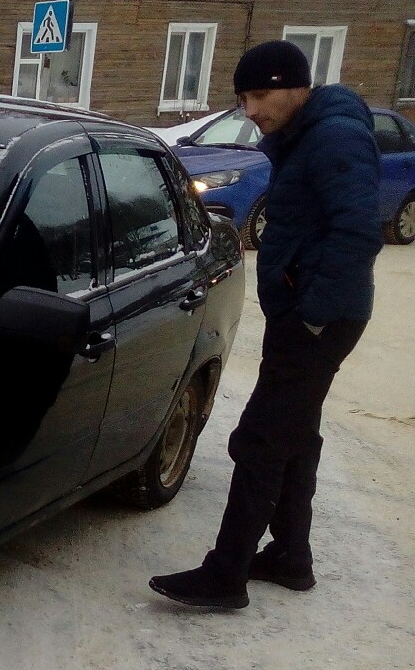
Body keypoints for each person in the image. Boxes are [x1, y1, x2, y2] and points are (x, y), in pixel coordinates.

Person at [150, 40, 382, 609]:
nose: (251, 111)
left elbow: (358, 231)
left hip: (319, 319)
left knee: (259, 439)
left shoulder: (335, 137)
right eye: (244, 99)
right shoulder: (306, 135)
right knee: (294, 435)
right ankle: (290, 556)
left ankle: (225, 576)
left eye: (260, 95)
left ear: (295, 86)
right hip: (308, 313)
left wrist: (312, 314)